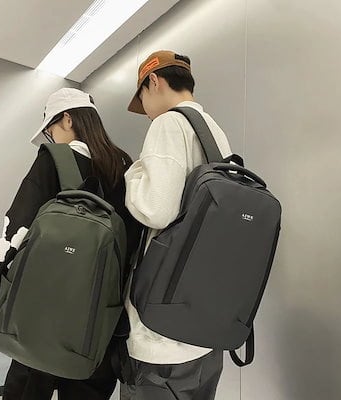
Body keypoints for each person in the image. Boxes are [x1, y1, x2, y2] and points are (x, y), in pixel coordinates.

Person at [0, 88, 141, 400]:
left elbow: (16, 232)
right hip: (99, 319)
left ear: (68, 119)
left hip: (44, 312)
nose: (51, 137)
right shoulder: (124, 166)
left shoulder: (54, 158)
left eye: (50, 129)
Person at [121, 50, 233, 399]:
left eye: (142, 98)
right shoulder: (214, 131)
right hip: (205, 329)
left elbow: (156, 210)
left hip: (162, 338)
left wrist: (133, 173)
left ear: (153, 81)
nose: (146, 111)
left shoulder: (168, 124)